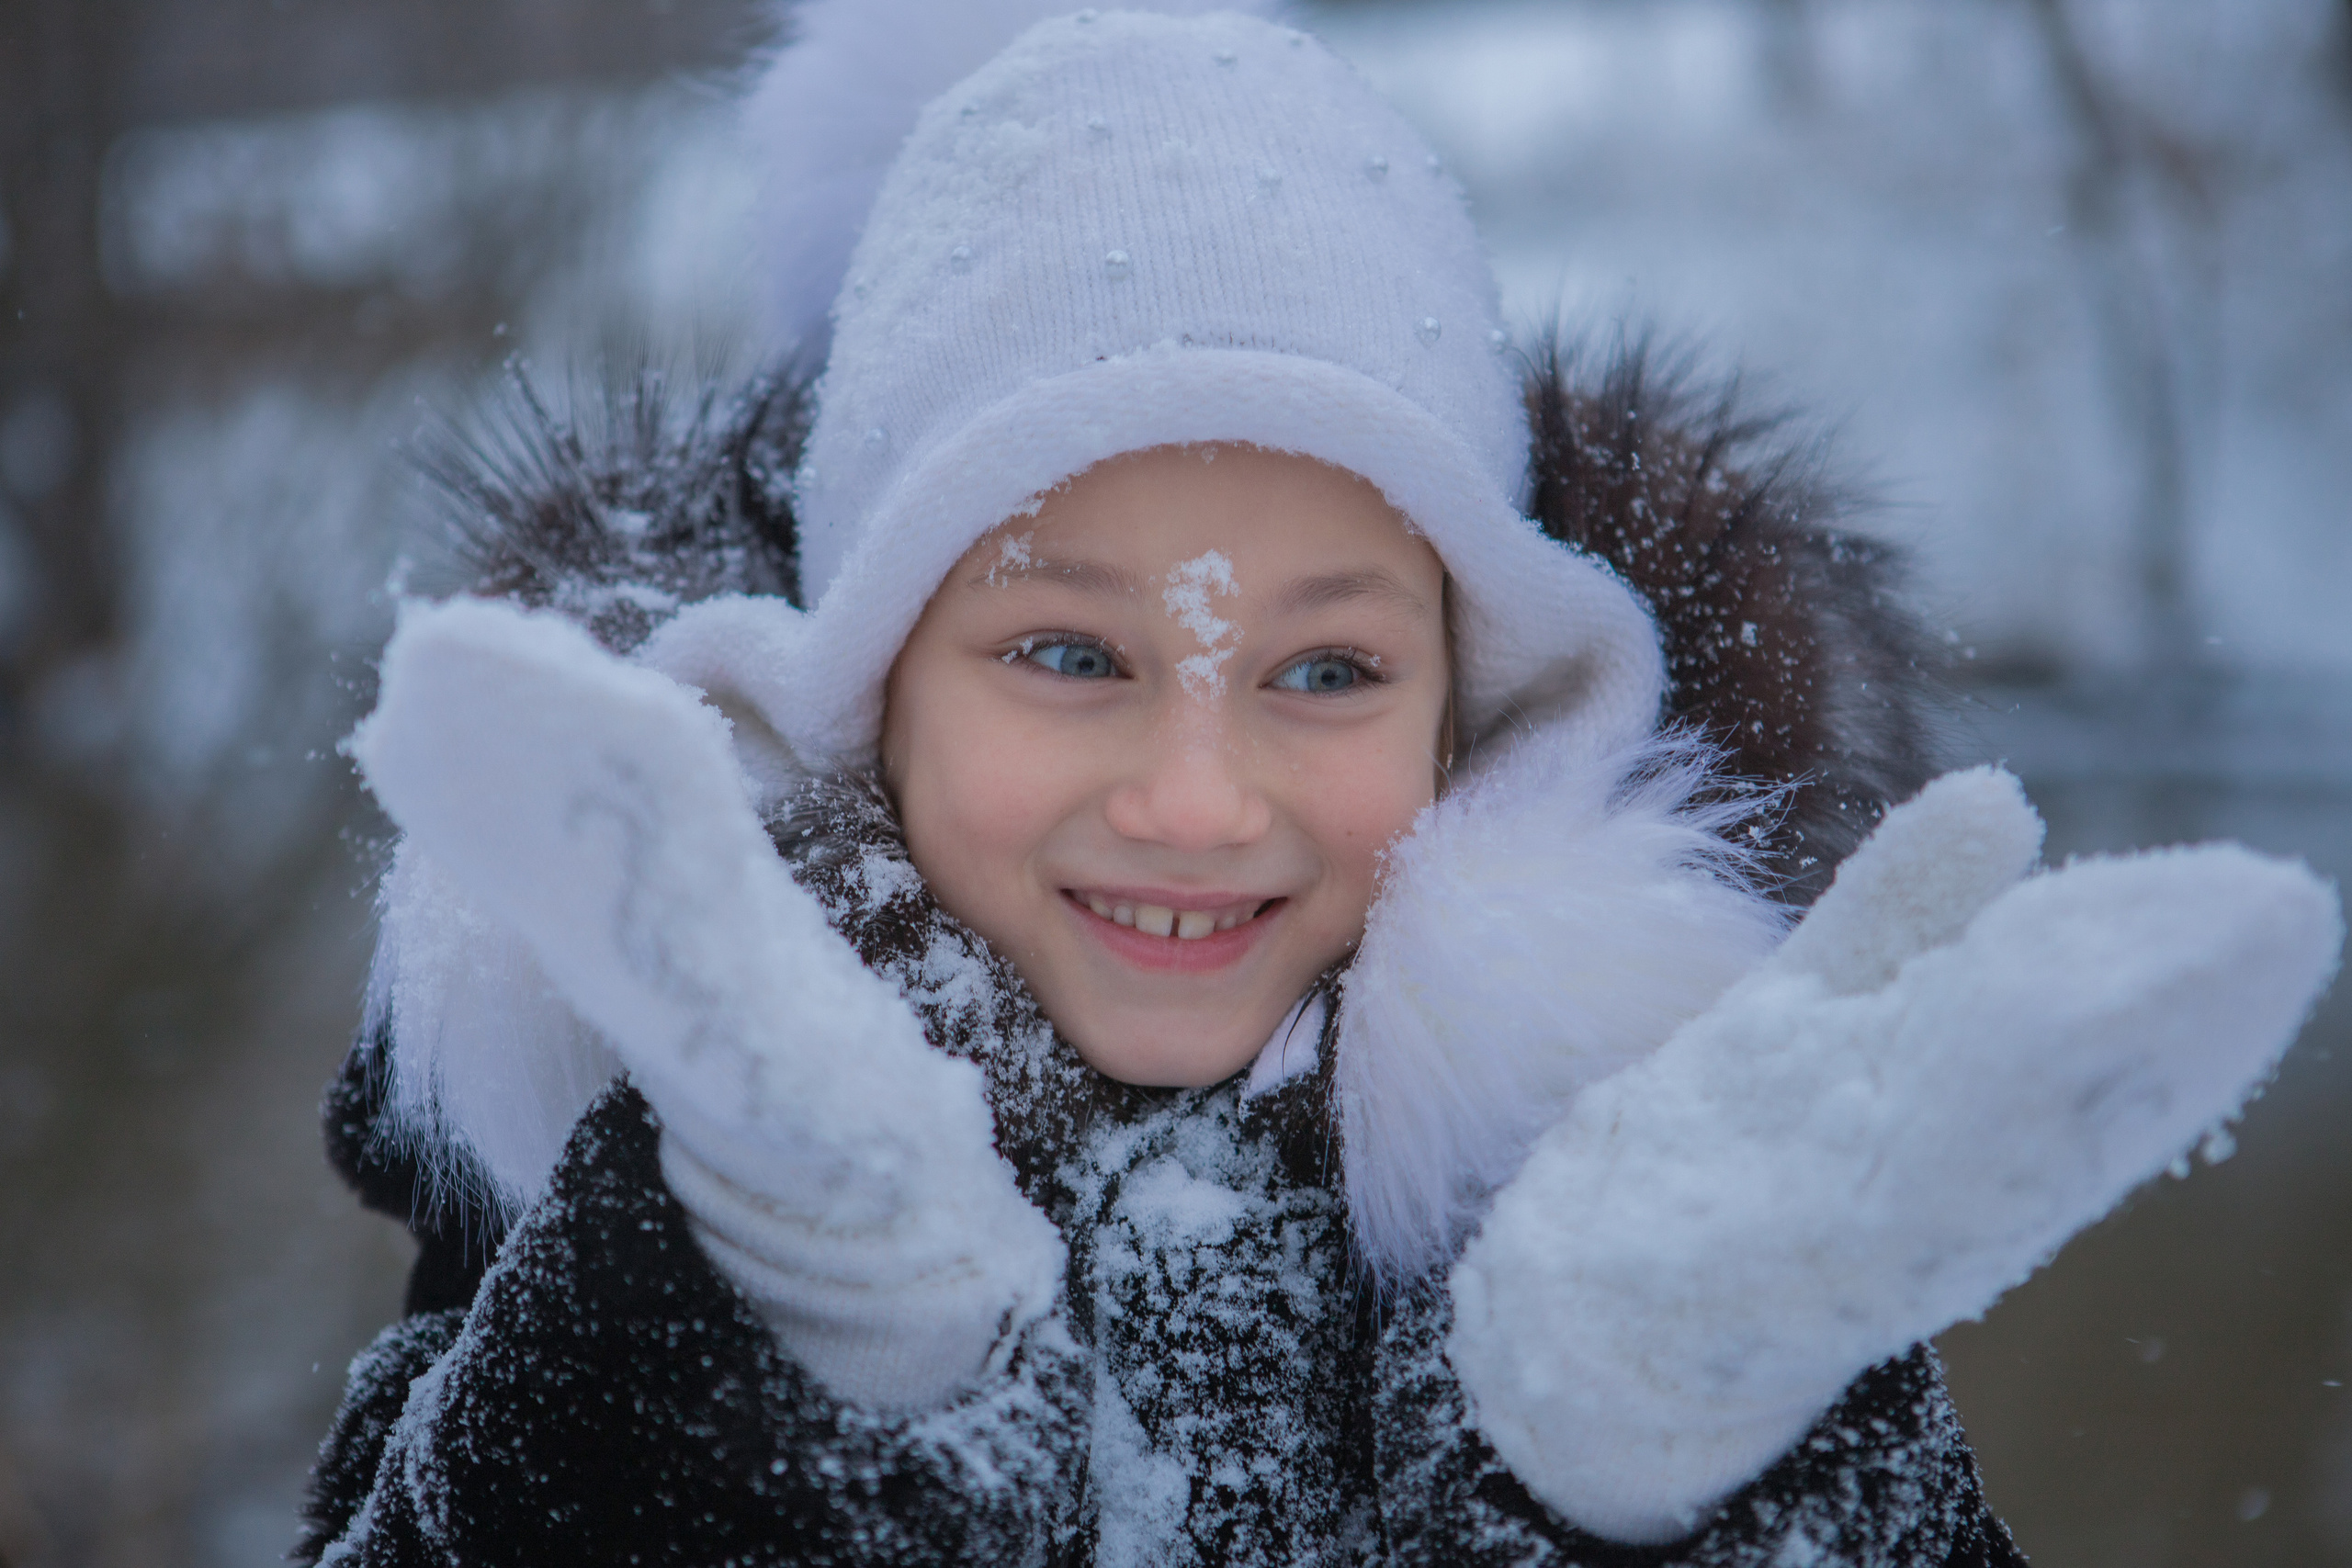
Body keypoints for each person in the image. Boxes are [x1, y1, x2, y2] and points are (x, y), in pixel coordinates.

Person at [296, 4, 2342, 1564]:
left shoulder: (1679, 1161)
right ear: (854, 691)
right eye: (1068, 654)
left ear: (1484, 702)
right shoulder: (636, 1148)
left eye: (1326, 667)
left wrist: (1677, 1448)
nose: (1198, 798)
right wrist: (743, 1329)